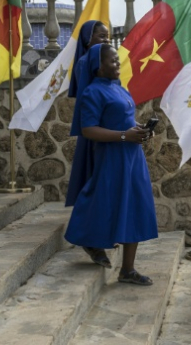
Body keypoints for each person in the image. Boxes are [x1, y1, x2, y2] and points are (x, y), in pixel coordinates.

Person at [65, 44, 158, 285]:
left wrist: (140, 129)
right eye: (113, 61)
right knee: (102, 199)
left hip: (132, 156)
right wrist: (125, 136)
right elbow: (88, 129)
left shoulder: (119, 88)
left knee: (135, 205)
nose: (118, 65)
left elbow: (125, 120)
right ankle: (87, 238)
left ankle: (127, 269)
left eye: (118, 61)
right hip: (112, 156)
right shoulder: (92, 93)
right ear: (99, 66)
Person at [65, 21, 111, 266]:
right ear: (87, 38)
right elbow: (91, 99)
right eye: (101, 36)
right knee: (92, 183)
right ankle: (88, 237)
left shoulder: (99, 62)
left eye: (108, 36)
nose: (106, 40)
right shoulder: (86, 64)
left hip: (104, 130)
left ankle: (98, 235)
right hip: (95, 131)